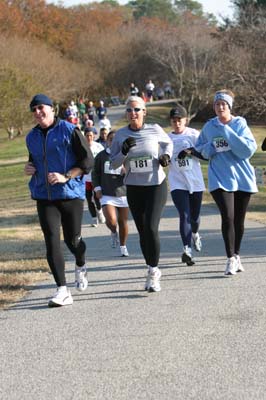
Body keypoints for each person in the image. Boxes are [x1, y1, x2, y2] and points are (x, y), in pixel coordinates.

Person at [25, 94, 94, 307]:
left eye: (41, 108)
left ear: (51, 108)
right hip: (44, 195)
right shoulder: (31, 136)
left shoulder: (69, 130)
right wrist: (30, 168)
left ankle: (80, 264)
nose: (38, 112)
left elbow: (87, 161)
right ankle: (62, 290)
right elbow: (34, 160)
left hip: (69, 193)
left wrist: (66, 176)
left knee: (73, 241)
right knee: (51, 239)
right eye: (34, 109)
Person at [110, 95, 173, 292]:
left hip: (156, 185)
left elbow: (168, 143)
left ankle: (154, 271)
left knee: (151, 227)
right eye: (129, 110)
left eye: (137, 109)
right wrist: (123, 152)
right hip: (135, 188)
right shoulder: (120, 135)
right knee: (143, 230)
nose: (133, 113)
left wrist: (166, 156)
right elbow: (112, 163)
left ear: (144, 112)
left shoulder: (154, 129)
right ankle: (150, 266)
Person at [195, 89, 258, 275]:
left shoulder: (240, 124)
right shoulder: (209, 127)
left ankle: (237, 255)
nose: (220, 107)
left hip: (242, 178)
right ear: (214, 107)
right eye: (217, 104)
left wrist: (227, 133)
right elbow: (200, 150)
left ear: (229, 107)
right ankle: (230, 258)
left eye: (224, 104)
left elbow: (247, 151)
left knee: (239, 220)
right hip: (219, 178)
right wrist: (212, 146)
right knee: (228, 217)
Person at [168, 105, 206, 266]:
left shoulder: (194, 134)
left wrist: (191, 151)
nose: (177, 123)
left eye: (180, 120)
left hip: (195, 181)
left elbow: (205, 155)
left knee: (195, 218)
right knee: (184, 215)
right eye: (174, 121)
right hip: (177, 181)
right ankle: (187, 250)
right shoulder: (166, 138)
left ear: (186, 120)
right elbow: (161, 157)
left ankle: (195, 234)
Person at [92, 130, 129, 257]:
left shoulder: (126, 155)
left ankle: (123, 247)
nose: (113, 142)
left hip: (124, 192)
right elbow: (95, 173)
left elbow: (134, 170)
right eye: (110, 139)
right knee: (112, 220)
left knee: (123, 221)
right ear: (107, 141)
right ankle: (113, 232)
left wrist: (127, 170)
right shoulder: (102, 156)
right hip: (107, 193)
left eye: (115, 139)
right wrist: (97, 188)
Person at [84, 128, 106, 227]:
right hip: (86, 178)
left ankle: (100, 211)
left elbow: (104, 158)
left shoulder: (99, 146)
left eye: (91, 135)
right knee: (89, 199)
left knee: (97, 197)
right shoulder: (82, 147)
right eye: (87, 135)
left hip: (97, 177)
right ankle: (94, 218)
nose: (89, 137)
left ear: (94, 136)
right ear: (84, 136)